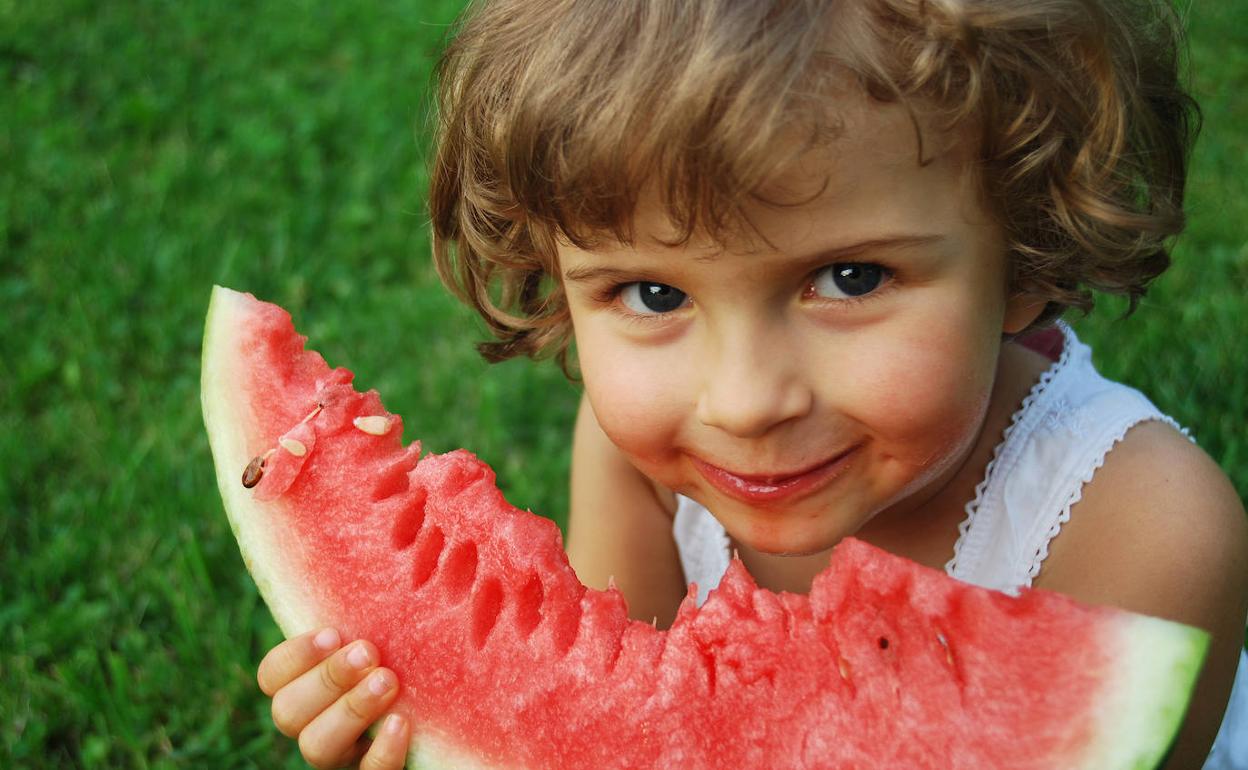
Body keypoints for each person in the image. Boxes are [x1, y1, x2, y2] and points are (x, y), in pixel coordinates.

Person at [251, 0, 1248, 767]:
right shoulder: (632, 456)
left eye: (851, 278)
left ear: (1025, 253)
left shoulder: (1145, 530)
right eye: (652, 291)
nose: (744, 399)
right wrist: (447, 720)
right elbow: (616, 727)